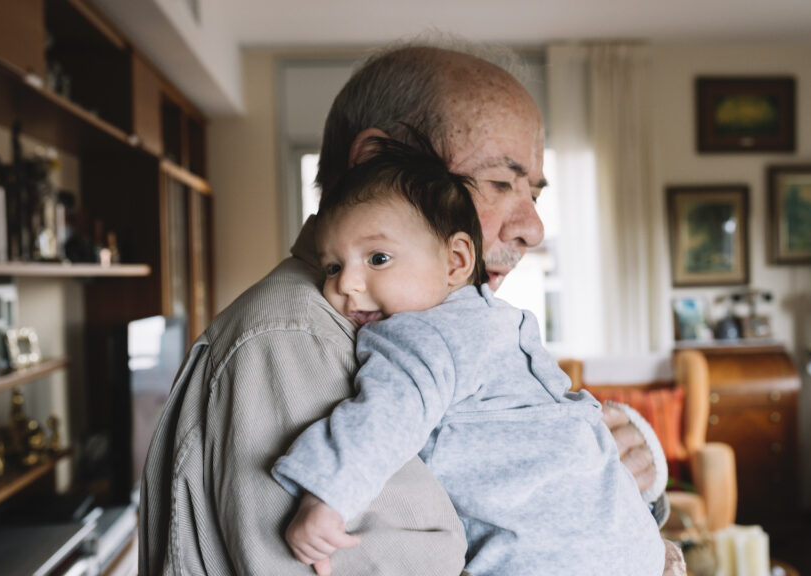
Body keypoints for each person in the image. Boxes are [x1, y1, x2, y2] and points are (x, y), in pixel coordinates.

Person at [140, 41, 681, 575]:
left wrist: (622, 466)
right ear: (377, 162)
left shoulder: (428, 323)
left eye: (533, 195)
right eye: (499, 182)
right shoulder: (295, 341)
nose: (534, 229)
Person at [272, 137, 667, 576]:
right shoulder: (502, 320)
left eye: (378, 258)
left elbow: (383, 417)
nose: (346, 285)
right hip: (630, 544)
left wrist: (325, 498)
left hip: (541, 558)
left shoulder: (417, 334)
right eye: (332, 267)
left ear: (456, 260)